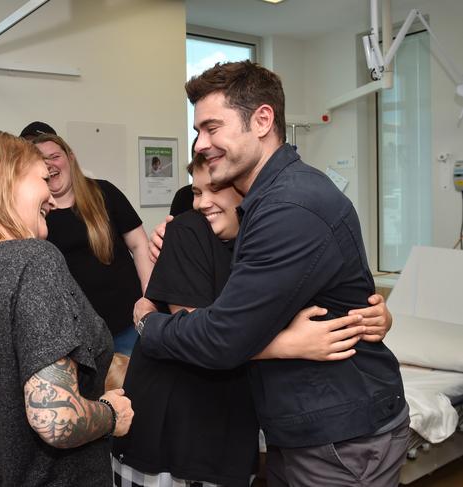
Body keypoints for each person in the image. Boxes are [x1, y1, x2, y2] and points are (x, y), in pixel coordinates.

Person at [134, 61, 408, 487]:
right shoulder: (262, 204)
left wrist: (150, 325)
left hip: (340, 437)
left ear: (262, 120)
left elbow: (225, 337)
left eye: (211, 128)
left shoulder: (288, 207)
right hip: (302, 429)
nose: (200, 143)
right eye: (197, 131)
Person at [113, 154, 393, 487]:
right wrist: (289, 344)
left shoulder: (274, 237)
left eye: (214, 189)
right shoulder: (188, 231)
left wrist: (377, 316)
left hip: (236, 428)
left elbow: (329, 296)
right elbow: (196, 334)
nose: (203, 202)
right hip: (176, 431)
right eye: (196, 192)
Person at [0, 131, 133, 486]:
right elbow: (57, 419)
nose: (51, 197)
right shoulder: (31, 259)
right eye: (42, 179)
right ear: (1, 172)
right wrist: (112, 415)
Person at [33, 133, 152, 356]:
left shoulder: (103, 192)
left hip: (127, 324)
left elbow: (139, 245)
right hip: (76, 339)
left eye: (55, 156)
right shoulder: (35, 213)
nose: (49, 164)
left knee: (137, 389)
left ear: (70, 157)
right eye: (41, 160)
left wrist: (149, 298)